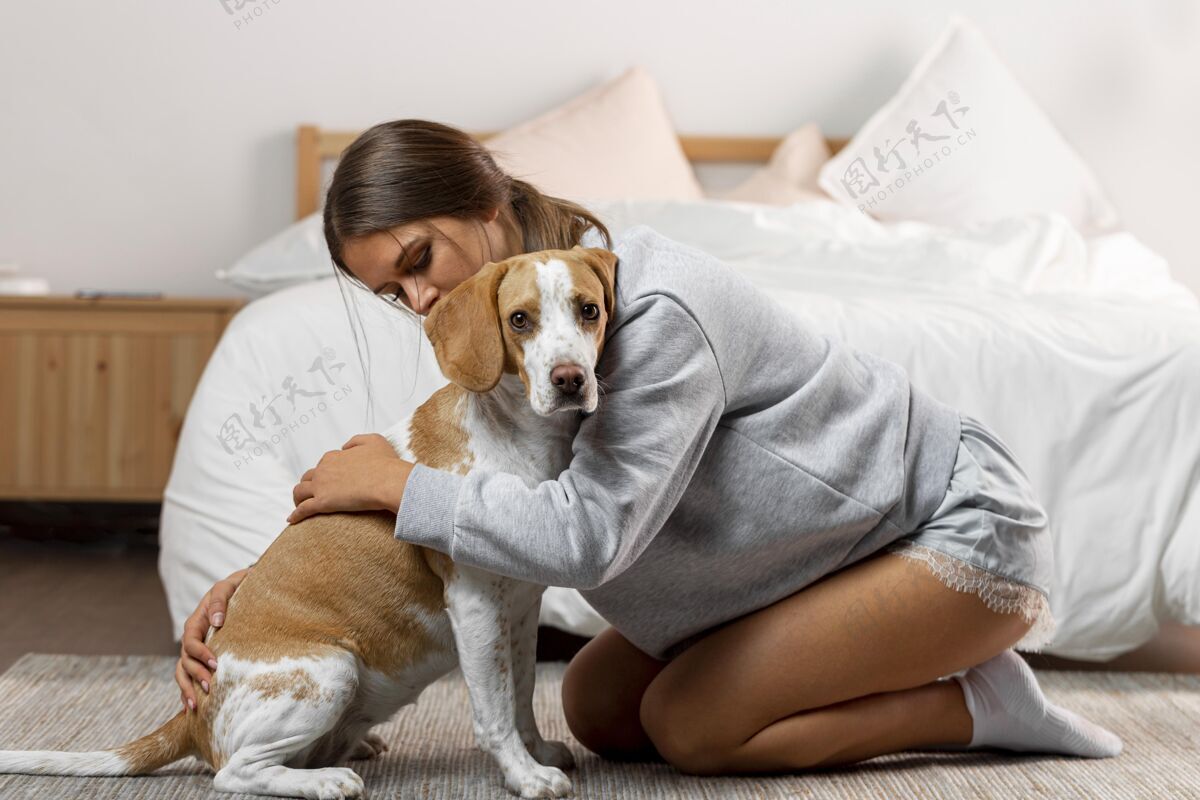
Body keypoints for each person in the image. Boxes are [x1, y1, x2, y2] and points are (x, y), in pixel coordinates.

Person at [175, 119, 1122, 773]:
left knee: (695, 727)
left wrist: (401, 487)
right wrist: (261, 592)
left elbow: (586, 538)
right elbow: (444, 483)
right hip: (797, 569)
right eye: (394, 292)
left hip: (950, 529)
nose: (420, 303)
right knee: (599, 715)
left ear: (488, 200)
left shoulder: (656, 313)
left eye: (419, 260)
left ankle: (979, 704)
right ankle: (870, 651)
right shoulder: (500, 350)